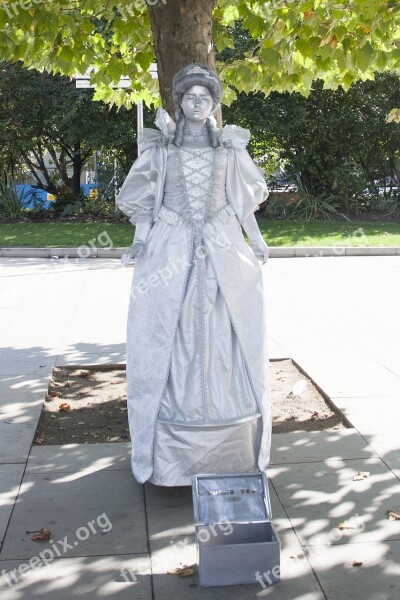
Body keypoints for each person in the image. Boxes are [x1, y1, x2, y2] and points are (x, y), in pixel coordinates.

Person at [117, 64, 271, 486]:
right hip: (171, 246)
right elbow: (146, 202)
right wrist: (140, 240)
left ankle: (232, 453)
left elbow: (243, 203)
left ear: (214, 105)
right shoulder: (160, 152)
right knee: (168, 333)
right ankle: (168, 457)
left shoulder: (230, 151)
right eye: (190, 97)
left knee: (228, 333)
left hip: (222, 247)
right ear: (180, 103)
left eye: (205, 97)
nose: (198, 103)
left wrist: (255, 240)